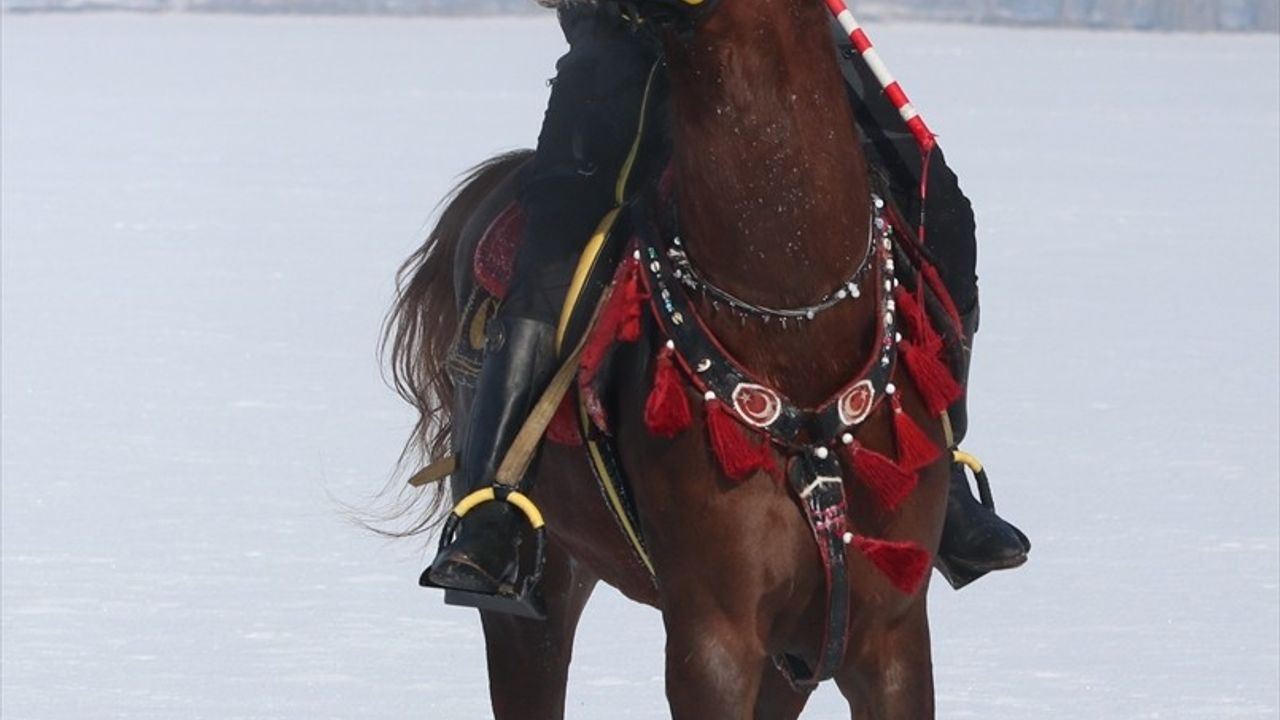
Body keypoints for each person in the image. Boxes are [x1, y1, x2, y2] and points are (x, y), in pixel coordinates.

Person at [421, 2, 1028, 606]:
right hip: (631, 49)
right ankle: (494, 502)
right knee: (558, 244)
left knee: (938, 206)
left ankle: (941, 472)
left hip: (786, 39)